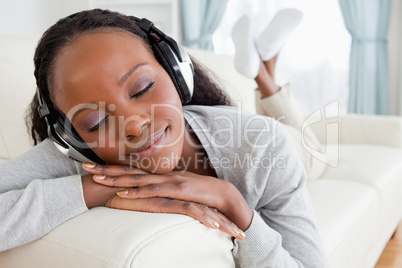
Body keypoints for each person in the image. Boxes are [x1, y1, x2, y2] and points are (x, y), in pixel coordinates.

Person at [0, 9, 328, 267]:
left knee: (313, 152)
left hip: (286, 146)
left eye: (142, 88)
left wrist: (232, 201)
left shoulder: (261, 144)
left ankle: (265, 72)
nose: (133, 126)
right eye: (96, 121)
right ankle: (263, 67)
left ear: (176, 72)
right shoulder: (78, 157)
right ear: (68, 137)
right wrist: (96, 189)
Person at [231, 9, 327, 181]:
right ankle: (263, 68)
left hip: (256, 155)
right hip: (270, 161)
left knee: (313, 151)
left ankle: (264, 67)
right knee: (316, 154)